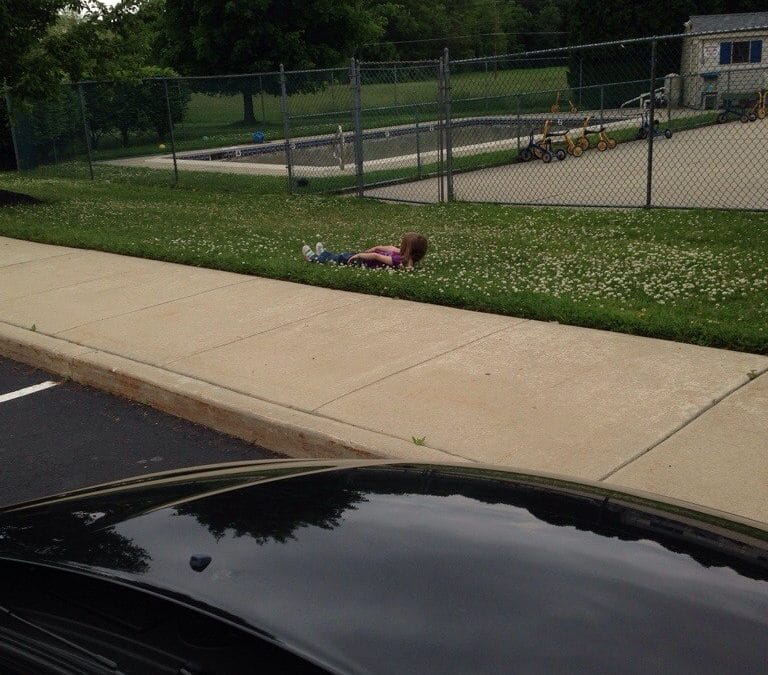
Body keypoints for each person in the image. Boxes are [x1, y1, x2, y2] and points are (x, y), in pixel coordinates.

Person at [301, 232, 428, 269]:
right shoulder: (402, 254)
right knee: (341, 255)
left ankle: (314, 258)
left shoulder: (398, 260)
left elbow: (376, 257)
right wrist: (376, 247)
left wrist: (360, 255)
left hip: (364, 262)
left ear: (408, 249)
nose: (400, 246)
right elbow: (389, 247)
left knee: (340, 258)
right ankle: (323, 254)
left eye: (403, 245)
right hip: (365, 257)